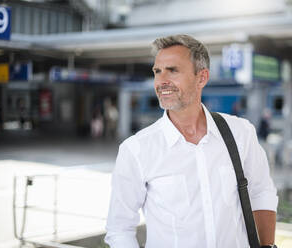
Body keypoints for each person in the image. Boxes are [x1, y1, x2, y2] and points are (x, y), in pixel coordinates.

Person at [105, 34, 278, 248]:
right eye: (158, 71)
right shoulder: (136, 150)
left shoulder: (241, 133)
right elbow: (119, 229)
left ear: (201, 78)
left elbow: (261, 193)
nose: (161, 81)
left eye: (173, 70)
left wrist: (267, 245)